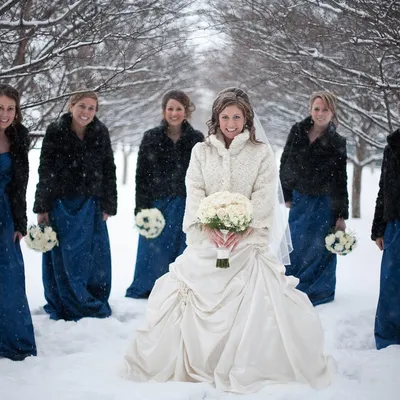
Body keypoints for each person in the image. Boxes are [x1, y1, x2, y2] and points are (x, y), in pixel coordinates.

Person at [123, 90, 335, 393]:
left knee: (256, 299)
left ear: (246, 117)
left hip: (246, 242)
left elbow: (263, 193)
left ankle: (248, 359)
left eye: (237, 116)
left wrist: (244, 228)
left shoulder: (260, 152)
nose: (231, 123)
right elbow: (194, 188)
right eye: (225, 117)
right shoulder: (201, 151)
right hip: (207, 239)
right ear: (216, 118)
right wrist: (205, 224)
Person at [33, 90, 117, 321]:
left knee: (92, 257)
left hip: (91, 204)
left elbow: (109, 169)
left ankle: (89, 298)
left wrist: (109, 204)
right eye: (82, 106)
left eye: (91, 108)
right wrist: (42, 206)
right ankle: (65, 301)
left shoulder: (101, 132)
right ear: (71, 106)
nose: (86, 112)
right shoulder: (55, 131)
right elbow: (46, 169)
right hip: (60, 204)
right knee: (63, 257)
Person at [125, 90, 203, 299]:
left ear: (186, 112)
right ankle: (149, 288)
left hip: (186, 204)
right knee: (153, 251)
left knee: (183, 249)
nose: (174, 113)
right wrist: (141, 208)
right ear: (163, 111)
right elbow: (141, 175)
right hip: (157, 204)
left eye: (179, 109)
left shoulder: (197, 139)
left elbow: (202, 174)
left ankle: (180, 288)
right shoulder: (151, 137)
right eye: (170, 108)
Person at [280, 91, 349, 306]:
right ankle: (291, 287)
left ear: (332, 112)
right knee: (296, 244)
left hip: (324, 203)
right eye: (316, 108)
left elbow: (341, 179)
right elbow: (286, 162)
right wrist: (287, 193)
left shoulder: (337, 141)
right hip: (300, 199)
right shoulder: (297, 131)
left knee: (319, 248)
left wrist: (340, 215)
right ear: (310, 110)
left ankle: (318, 292)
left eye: (325, 110)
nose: (320, 113)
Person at [0, 84, 37, 360]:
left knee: (9, 278)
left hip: (5, 214)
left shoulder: (19, 136)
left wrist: (20, 222)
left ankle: (13, 341)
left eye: (11, 108)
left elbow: (20, 183)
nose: (5, 114)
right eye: (0, 108)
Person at [371, 103, 400, 350]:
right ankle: (389, 337)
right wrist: (379, 227)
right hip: (396, 224)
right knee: (392, 282)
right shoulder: (393, 146)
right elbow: (384, 188)